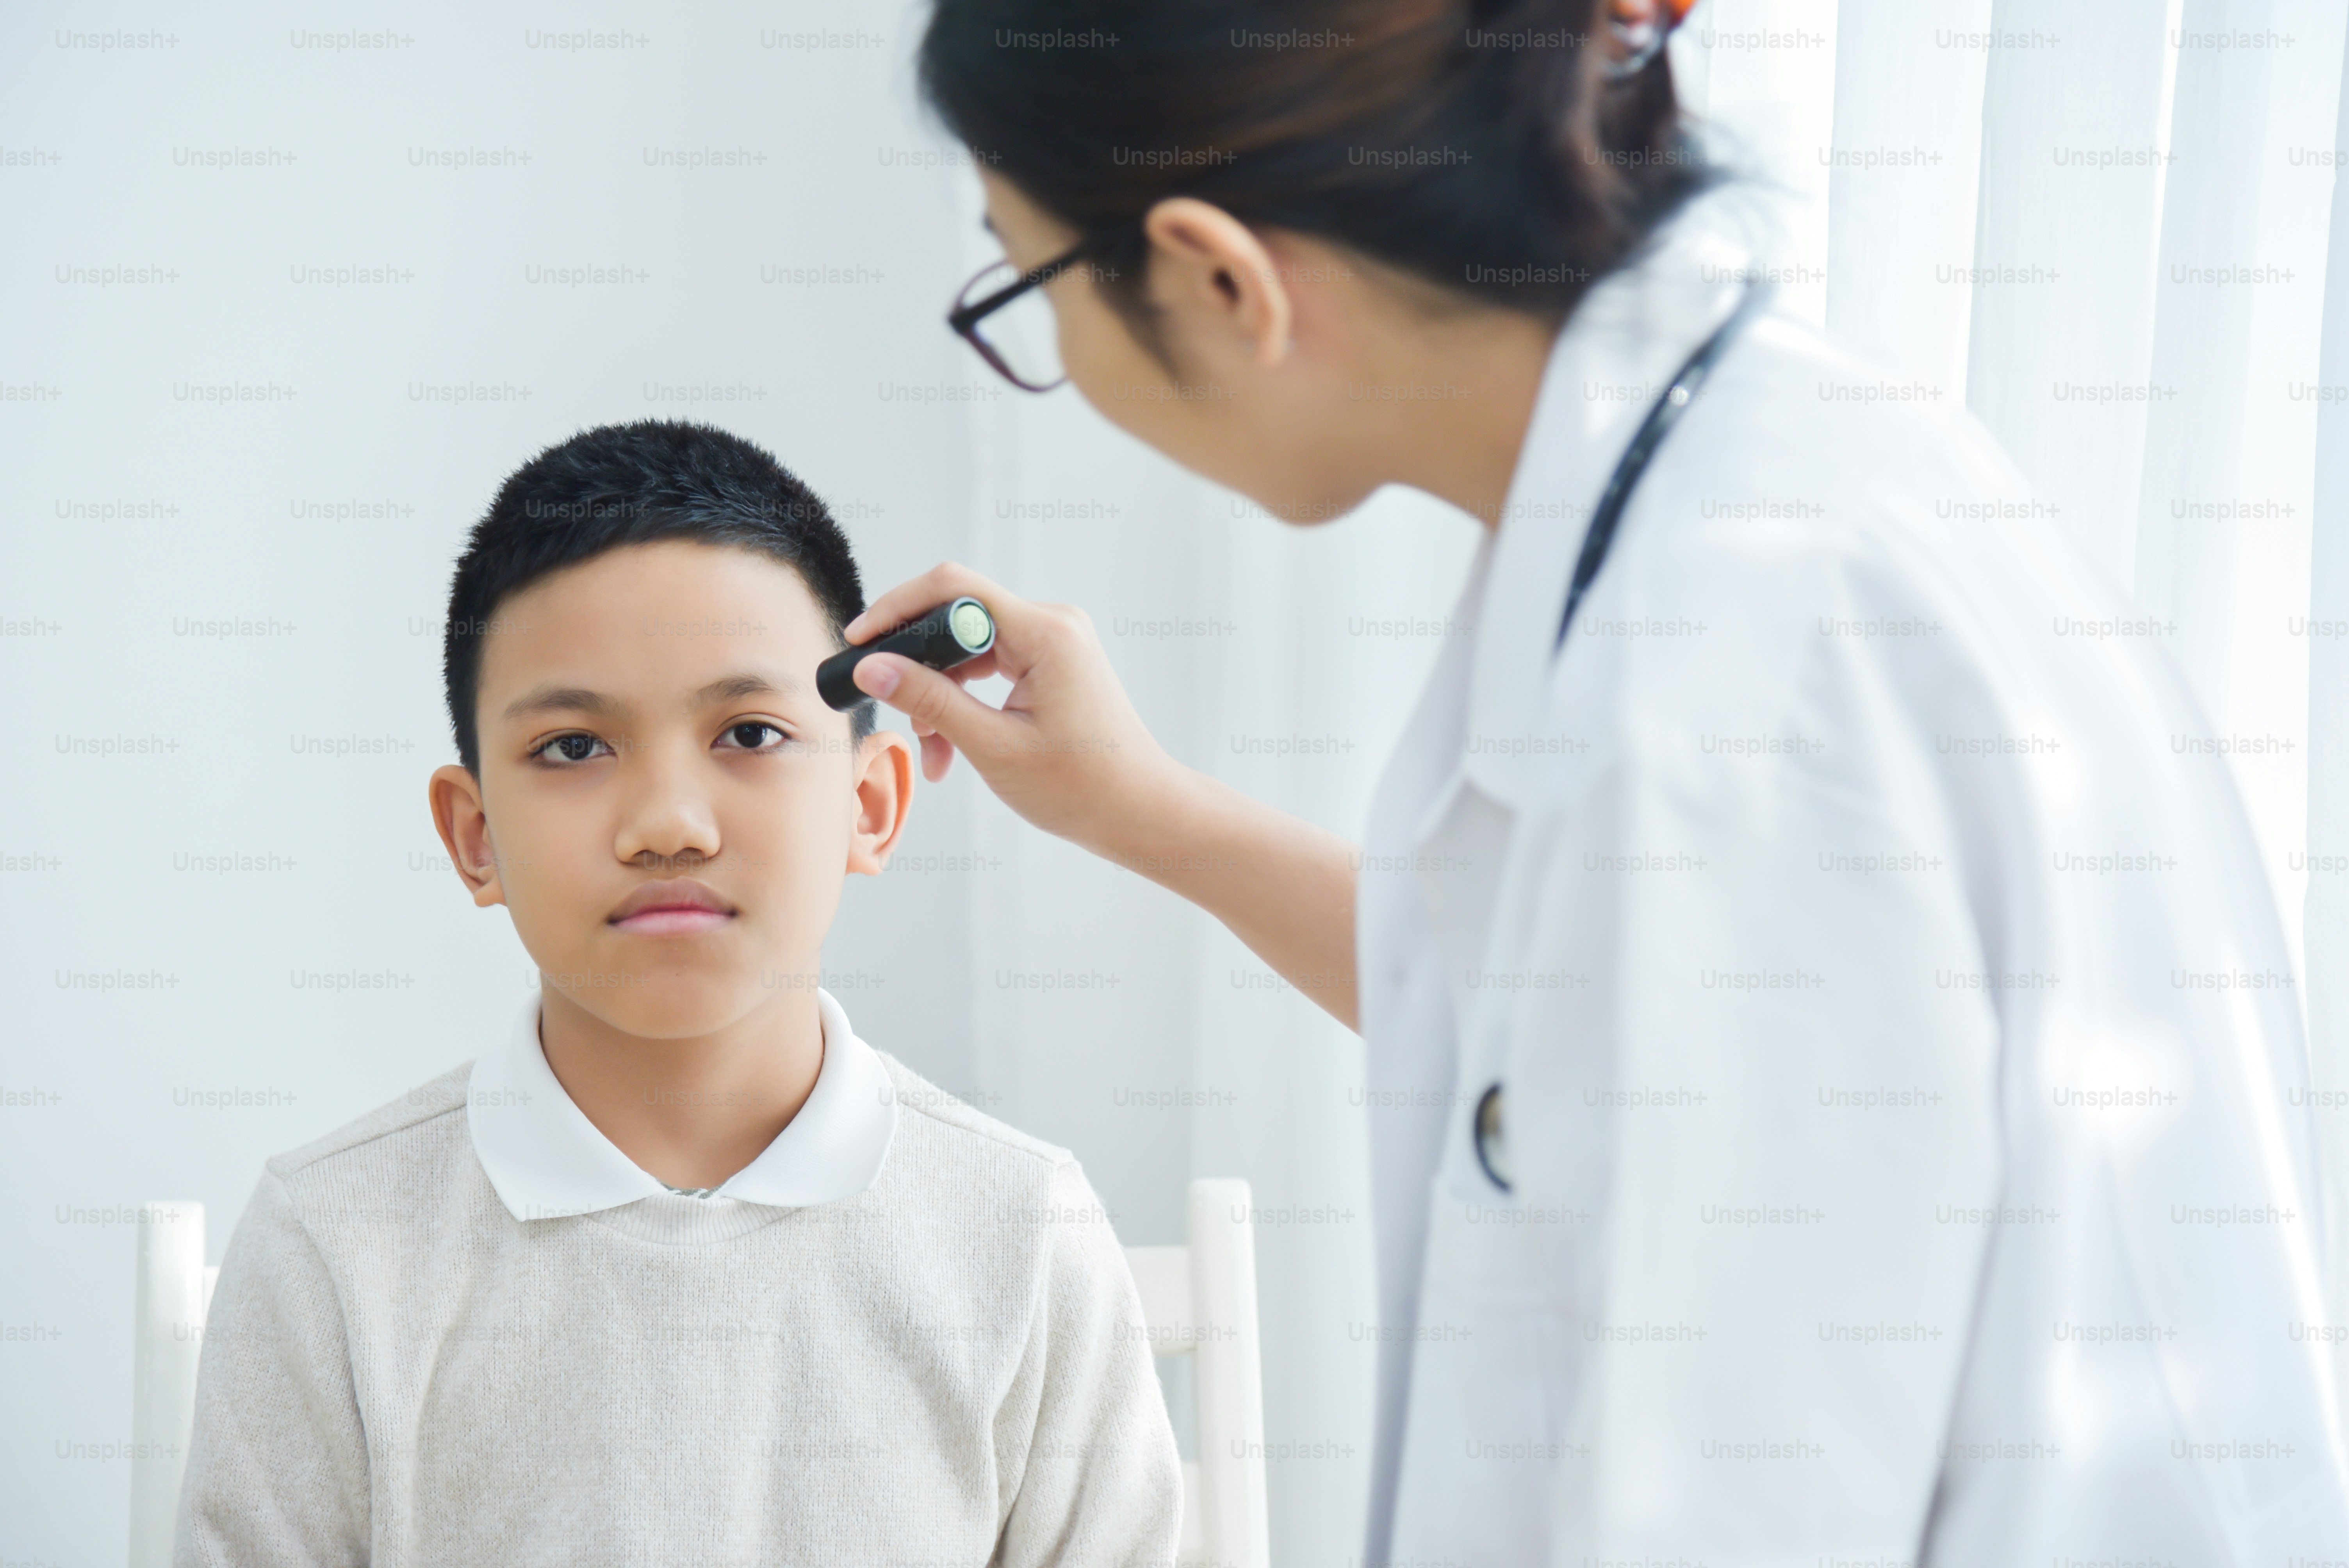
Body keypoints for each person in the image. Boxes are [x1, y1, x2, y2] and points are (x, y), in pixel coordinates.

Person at [836, 0, 2349, 1560]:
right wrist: (1140, 810)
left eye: (1027, 284)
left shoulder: (1732, 686)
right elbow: (1546, 1016)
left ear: (1220, 276)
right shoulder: (1734, 493)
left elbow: (1746, 1485)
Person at [174, 422, 1180, 1566]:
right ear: (474, 837)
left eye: (749, 733)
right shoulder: (332, 1245)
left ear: (873, 804)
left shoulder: (1023, 1234)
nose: (668, 824)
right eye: (571, 749)